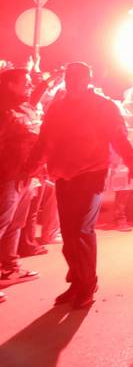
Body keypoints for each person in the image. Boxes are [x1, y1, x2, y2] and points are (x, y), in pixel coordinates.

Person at [25, 62, 133, 308]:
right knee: (68, 233)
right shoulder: (58, 106)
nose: (73, 81)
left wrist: (132, 160)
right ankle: (77, 281)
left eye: (79, 77)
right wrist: (31, 166)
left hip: (91, 174)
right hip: (63, 175)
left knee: (82, 230)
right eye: (69, 77)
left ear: (88, 79)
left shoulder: (102, 106)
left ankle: (87, 284)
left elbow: (118, 136)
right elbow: (45, 139)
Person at [0, 68, 42, 301]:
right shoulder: (3, 110)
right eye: (24, 82)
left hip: (26, 174)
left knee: (16, 223)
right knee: (2, 222)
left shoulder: (26, 107)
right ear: (10, 85)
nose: (29, 85)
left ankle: (9, 268)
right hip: (7, 175)